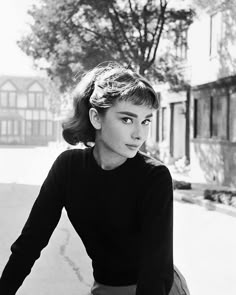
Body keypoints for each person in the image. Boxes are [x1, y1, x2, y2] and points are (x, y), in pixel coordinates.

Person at [0, 61, 175, 295]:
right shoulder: (68, 167)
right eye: (127, 119)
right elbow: (30, 242)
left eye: (146, 121)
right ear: (96, 118)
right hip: (103, 288)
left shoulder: (154, 176)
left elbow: (156, 270)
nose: (139, 134)